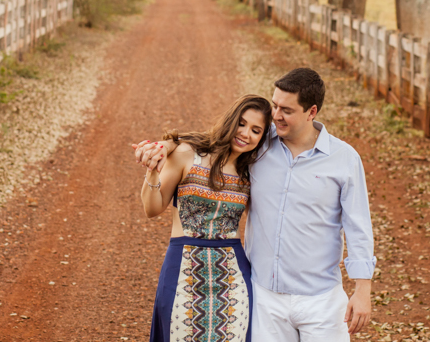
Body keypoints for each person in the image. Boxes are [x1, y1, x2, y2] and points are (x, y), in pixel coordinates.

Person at [136, 68, 375, 341]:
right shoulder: (262, 145)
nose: (276, 115)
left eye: (286, 109)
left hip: (320, 299)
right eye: (275, 105)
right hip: (265, 298)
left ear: (311, 112)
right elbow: (215, 140)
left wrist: (362, 289)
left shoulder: (343, 159)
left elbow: (359, 227)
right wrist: (166, 145)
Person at [136, 94, 272, 342]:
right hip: (183, 273)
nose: (245, 133)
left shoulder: (252, 172)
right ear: (231, 120)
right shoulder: (187, 154)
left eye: (256, 130)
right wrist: (153, 171)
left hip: (233, 281)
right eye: (241, 123)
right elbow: (152, 209)